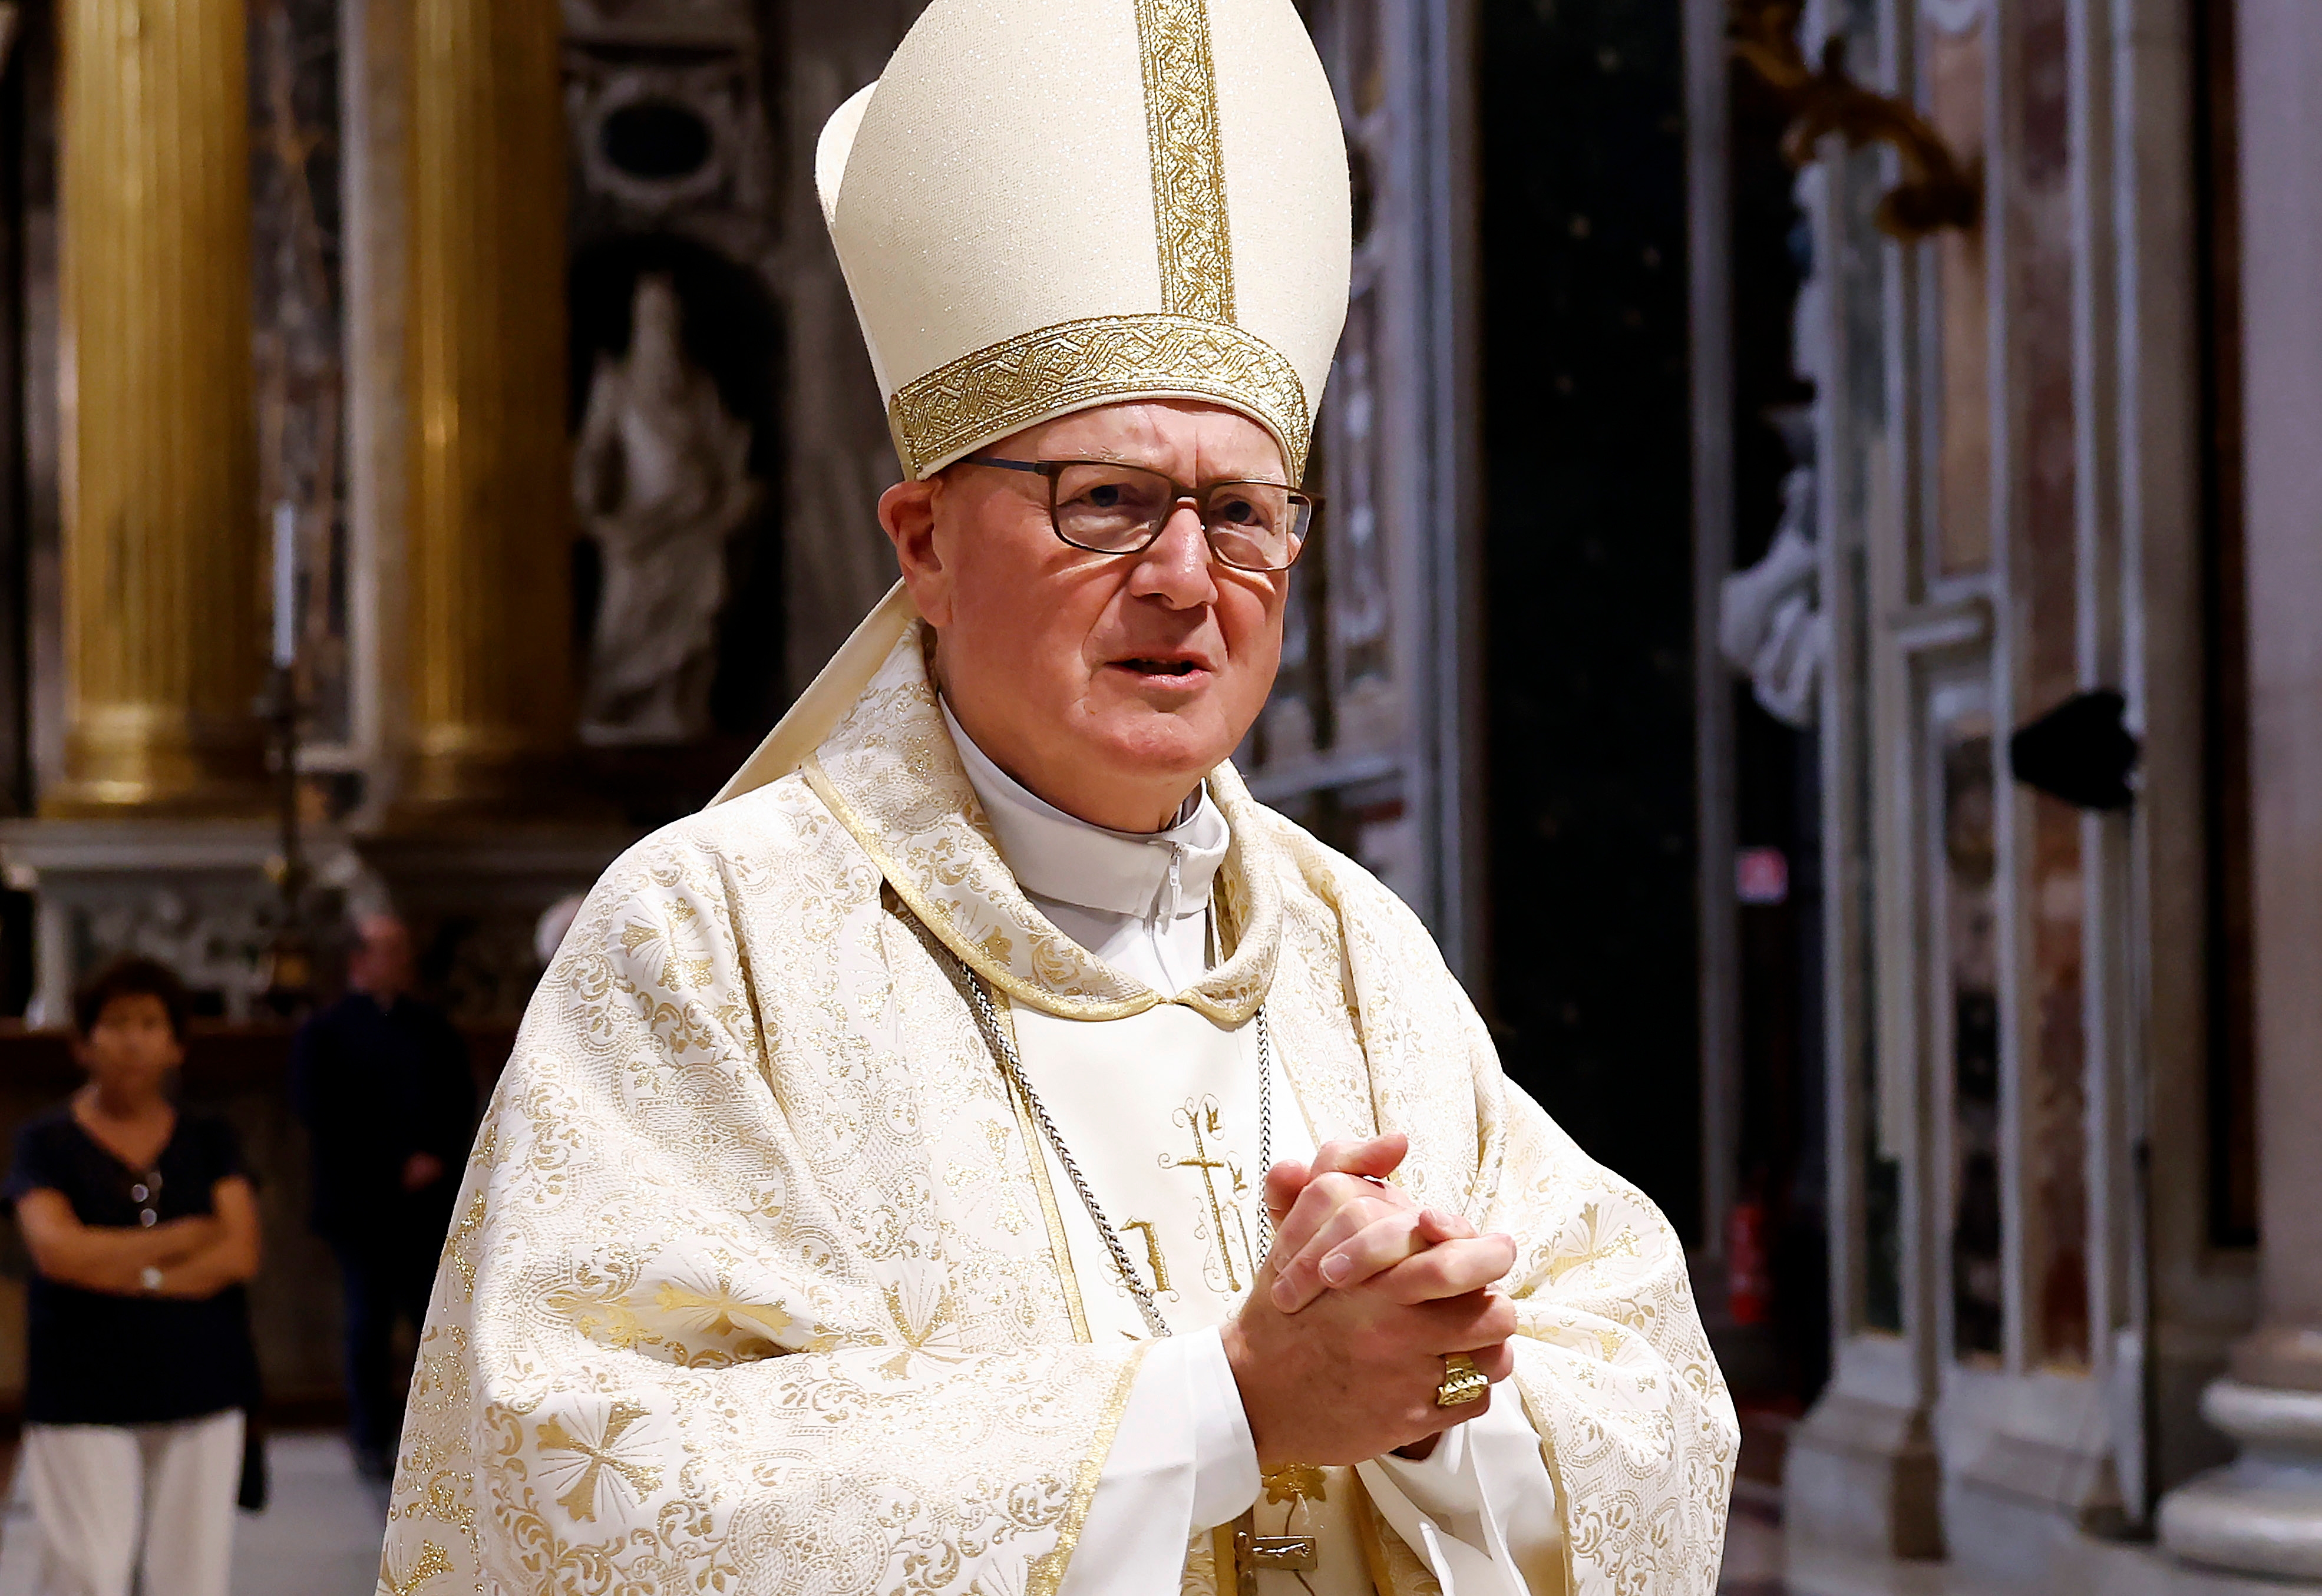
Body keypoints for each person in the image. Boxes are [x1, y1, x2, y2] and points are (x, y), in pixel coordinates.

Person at [381, 2, 1737, 1591]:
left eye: (1242, 510)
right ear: (924, 543)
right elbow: (594, 1481)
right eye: (1105, 500)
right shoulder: (709, 938)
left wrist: (1430, 1390)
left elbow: (1646, 1387)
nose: (1185, 577)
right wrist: (1225, 1406)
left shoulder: (1350, 952)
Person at [6, 956, 262, 1596]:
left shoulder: (207, 1136)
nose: (133, 1039)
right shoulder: (47, 1142)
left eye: (150, 1023)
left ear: (176, 1044)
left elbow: (238, 1254)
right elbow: (58, 1253)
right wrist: (178, 1239)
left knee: (191, 1577)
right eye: (116, 1023)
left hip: (199, 1376)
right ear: (82, 1042)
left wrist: (130, 1273)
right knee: (89, 1570)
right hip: (83, 1381)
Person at [290, 914, 474, 1481]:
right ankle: (371, 1437)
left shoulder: (432, 1027)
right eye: (387, 949)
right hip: (362, 1202)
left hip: (427, 1201)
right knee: (367, 1323)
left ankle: (441, 1434)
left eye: (403, 948)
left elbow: (461, 1098)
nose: (400, 959)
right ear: (358, 959)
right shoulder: (325, 1031)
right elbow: (320, 1111)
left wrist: (435, 1155)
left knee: (434, 1322)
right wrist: (392, 1162)